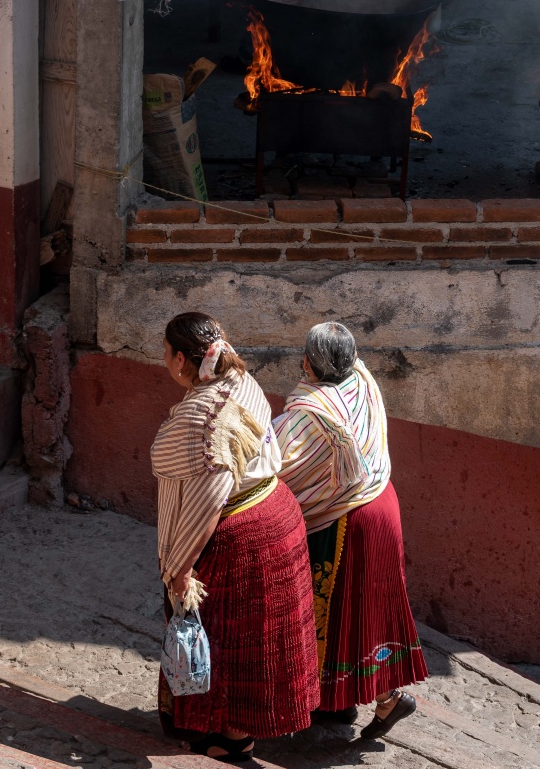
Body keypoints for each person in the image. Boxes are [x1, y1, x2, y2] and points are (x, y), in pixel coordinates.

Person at [152, 312, 319, 761]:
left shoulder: (200, 420)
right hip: (277, 513)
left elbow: (208, 500)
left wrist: (181, 568)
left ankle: (229, 737)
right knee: (252, 641)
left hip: (239, 535)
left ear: (183, 359)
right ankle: (236, 730)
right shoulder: (240, 379)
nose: (164, 360)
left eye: (166, 353)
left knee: (226, 643)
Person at [274, 322, 428, 738]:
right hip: (383, 504)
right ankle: (341, 700)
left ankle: (388, 697)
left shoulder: (305, 418)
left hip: (346, 522)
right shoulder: (362, 380)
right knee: (371, 609)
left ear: (307, 362)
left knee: (337, 609)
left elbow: (273, 469)